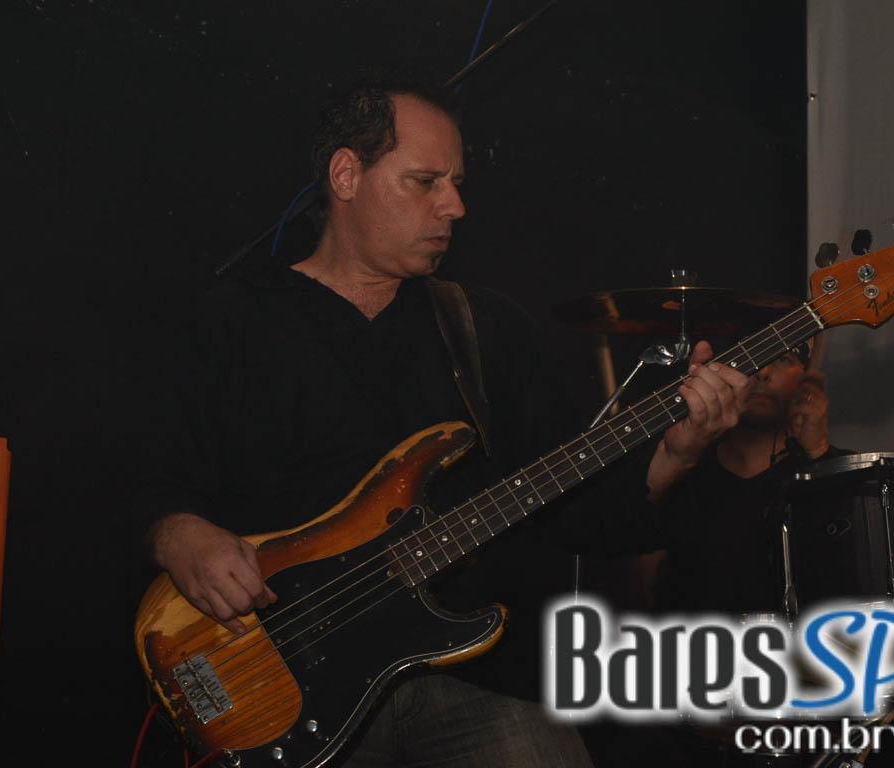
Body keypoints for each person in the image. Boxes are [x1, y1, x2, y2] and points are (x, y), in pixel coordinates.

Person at [135, 73, 750, 767]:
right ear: (346, 174)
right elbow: (152, 475)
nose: (454, 206)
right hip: (284, 684)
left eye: (456, 184)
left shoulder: (484, 328)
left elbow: (578, 511)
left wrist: (678, 453)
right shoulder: (234, 320)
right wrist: (181, 536)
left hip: (475, 678)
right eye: (425, 182)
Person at [634, 338, 844, 614]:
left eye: (783, 358)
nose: (763, 372)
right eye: (752, 354)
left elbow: (856, 572)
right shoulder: (681, 475)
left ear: (807, 379)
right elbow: (640, 586)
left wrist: (819, 454)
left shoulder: (838, 471)